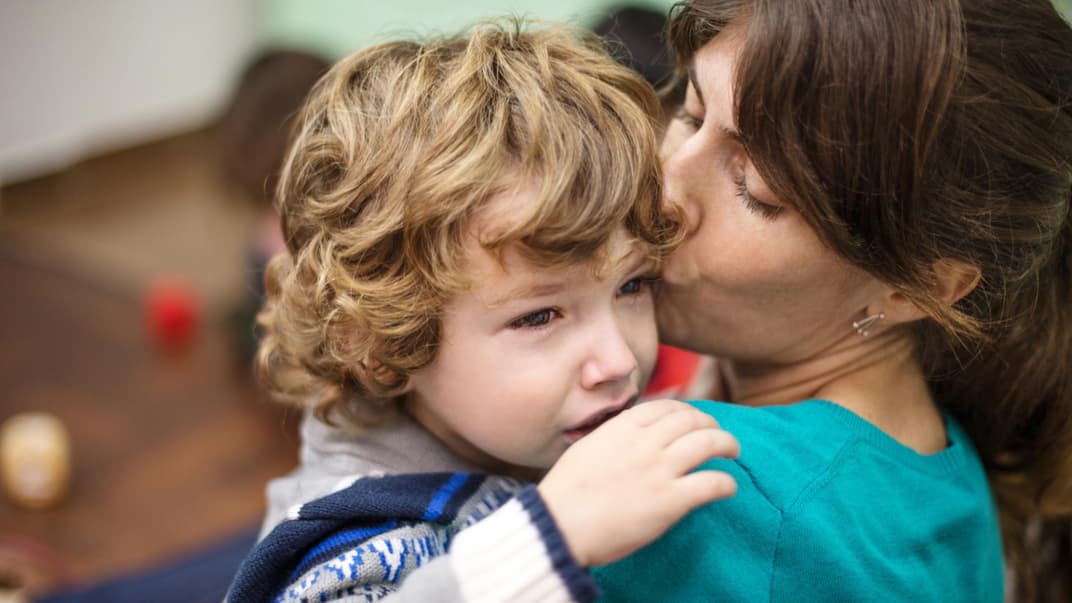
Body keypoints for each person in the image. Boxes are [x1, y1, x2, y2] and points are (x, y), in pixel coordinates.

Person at [226, 21, 741, 603]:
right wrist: (551, 539)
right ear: (380, 343)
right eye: (539, 317)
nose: (619, 359)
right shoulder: (353, 543)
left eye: (632, 286)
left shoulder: (510, 424)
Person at [594, 0, 1072, 601]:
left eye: (756, 189)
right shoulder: (942, 464)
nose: (665, 192)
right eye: (691, 114)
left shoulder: (696, 494)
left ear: (919, 285)